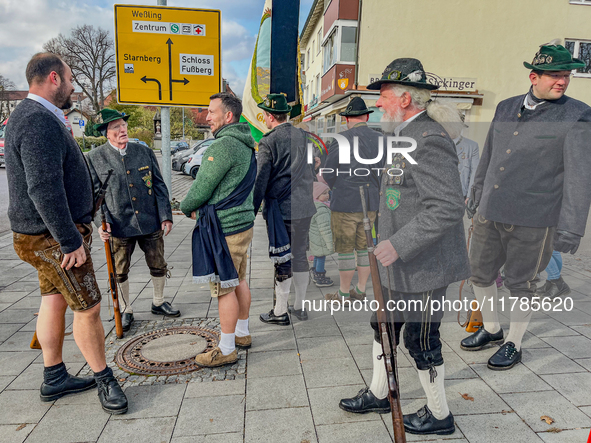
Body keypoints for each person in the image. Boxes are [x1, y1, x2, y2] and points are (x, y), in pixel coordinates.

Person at [338, 58, 470, 436]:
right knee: (382, 326)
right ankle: (381, 393)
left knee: (420, 338)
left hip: (427, 264)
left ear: (405, 98)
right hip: (396, 260)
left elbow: (446, 206)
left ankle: (440, 415)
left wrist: (398, 243)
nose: (377, 103)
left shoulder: (429, 140)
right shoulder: (403, 135)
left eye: (382, 96)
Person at [5, 52, 127, 414]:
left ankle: (54, 375)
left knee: (53, 300)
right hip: (51, 238)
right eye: (71, 78)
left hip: (40, 234)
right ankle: (105, 378)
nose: (74, 86)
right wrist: (69, 240)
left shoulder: (31, 116)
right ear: (54, 78)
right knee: (89, 307)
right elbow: (43, 187)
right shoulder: (37, 120)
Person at [463, 40, 591, 370]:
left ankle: (514, 343)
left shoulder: (578, 115)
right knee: (479, 273)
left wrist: (571, 228)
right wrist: (476, 195)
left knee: (522, 283)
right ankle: (492, 329)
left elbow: (580, 176)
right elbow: (490, 154)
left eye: (566, 76)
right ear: (534, 77)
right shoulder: (506, 107)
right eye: (553, 75)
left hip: (535, 218)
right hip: (491, 209)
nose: (561, 81)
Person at [86, 108, 179, 333]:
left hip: (149, 219)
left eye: (123, 125)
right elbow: (93, 195)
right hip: (118, 223)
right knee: (120, 270)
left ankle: (158, 301)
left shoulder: (143, 151)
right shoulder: (94, 157)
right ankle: (126, 309)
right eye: (116, 127)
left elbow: (158, 184)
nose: (122, 129)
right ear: (106, 132)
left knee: (158, 263)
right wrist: (100, 224)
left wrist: (166, 216)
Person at [181, 93, 256, 367]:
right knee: (239, 280)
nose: (207, 116)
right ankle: (242, 333)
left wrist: (184, 205)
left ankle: (226, 349)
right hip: (241, 224)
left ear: (228, 116)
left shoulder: (223, 146)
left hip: (224, 228)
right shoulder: (246, 143)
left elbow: (201, 189)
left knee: (224, 288)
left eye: (212, 112)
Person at [253, 93, 316, 324]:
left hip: (282, 210)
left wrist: (252, 210)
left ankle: (279, 312)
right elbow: (312, 167)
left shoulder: (268, 141)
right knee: (300, 255)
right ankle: (300, 307)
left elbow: (261, 179)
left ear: (270, 116)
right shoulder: (305, 137)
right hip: (305, 207)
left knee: (282, 258)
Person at [323, 97, 383, 303]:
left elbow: (329, 171)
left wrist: (335, 188)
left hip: (345, 202)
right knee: (366, 247)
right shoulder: (380, 139)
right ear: (366, 116)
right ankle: (361, 289)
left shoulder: (341, 139)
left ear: (347, 119)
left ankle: (343, 293)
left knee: (346, 250)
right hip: (371, 202)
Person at [309, 182, 334, 288]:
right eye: (324, 193)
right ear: (316, 195)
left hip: (315, 238)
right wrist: (330, 243)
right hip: (320, 238)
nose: (327, 195)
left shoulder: (314, 205)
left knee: (317, 255)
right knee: (321, 257)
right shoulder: (321, 209)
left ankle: (315, 273)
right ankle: (320, 277)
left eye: (327, 192)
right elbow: (325, 229)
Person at [454, 131, 480, 199]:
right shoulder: (437, 142)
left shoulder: (471, 145)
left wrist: (470, 196)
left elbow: (475, 172)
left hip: (461, 195)